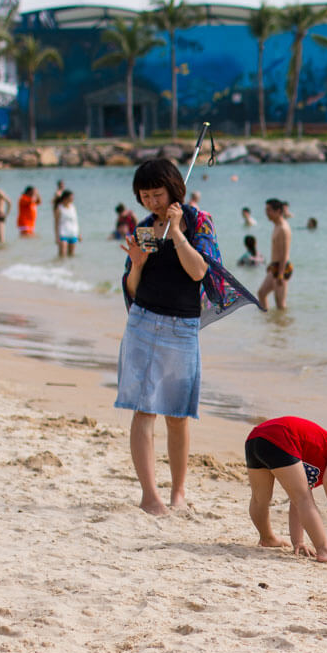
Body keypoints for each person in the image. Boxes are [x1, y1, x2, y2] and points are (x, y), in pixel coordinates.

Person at [115, 159, 212, 515]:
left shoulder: (199, 222)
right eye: (145, 195)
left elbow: (200, 270)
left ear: (174, 190)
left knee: (177, 413)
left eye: (158, 194)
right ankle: (149, 495)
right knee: (143, 410)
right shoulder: (144, 228)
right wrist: (137, 265)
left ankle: (178, 492)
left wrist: (177, 232)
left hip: (182, 327)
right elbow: (132, 289)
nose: (153, 202)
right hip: (143, 322)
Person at [244, 416, 327, 563]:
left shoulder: (314, 466)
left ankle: (267, 538)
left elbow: (296, 505)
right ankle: (324, 551)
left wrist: (298, 542)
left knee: (260, 499)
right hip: (282, 437)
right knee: (305, 499)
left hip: (256, 438)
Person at [258, 198, 292, 310]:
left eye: (269, 210)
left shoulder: (283, 228)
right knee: (262, 293)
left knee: (280, 304)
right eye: (266, 210)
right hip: (275, 266)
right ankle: (268, 322)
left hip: (282, 268)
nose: (266, 213)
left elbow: (284, 253)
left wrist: (281, 274)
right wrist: (271, 265)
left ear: (278, 211)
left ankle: (283, 326)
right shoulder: (276, 225)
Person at [55, 190, 80, 257]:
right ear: (65, 198)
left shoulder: (73, 207)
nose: (73, 199)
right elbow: (56, 224)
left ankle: (69, 267)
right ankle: (59, 267)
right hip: (63, 233)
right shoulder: (59, 208)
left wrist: (79, 234)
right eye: (71, 197)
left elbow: (75, 221)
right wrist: (57, 237)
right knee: (62, 255)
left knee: (71, 255)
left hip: (73, 233)